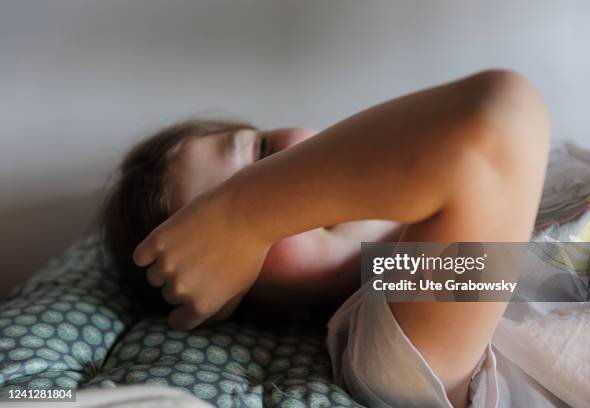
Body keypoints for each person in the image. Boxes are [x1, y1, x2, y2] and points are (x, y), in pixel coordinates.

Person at [101, 69, 551, 407]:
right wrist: (242, 217)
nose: (272, 183)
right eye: (222, 239)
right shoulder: (390, 329)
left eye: (262, 154)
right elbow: (497, 124)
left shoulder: (549, 181)